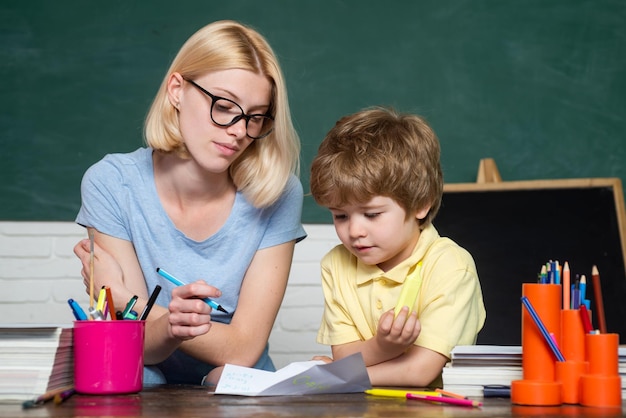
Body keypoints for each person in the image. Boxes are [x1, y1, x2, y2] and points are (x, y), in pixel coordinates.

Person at [73, 20, 306, 386]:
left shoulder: (278, 192)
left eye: (255, 117)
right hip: (145, 386)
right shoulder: (111, 183)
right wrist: (171, 325)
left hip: (238, 393)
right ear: (177, 90)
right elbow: (137, 348)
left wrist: (132, 305)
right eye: (225, 106)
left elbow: (242, 350)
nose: (239, 131)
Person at [309, 107, 485, 388]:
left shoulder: (451, 265)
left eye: (372, 214)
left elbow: (420, 372)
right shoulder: (336, 264)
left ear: (420, 204)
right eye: (340, 216)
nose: (354, 231)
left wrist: (335, 377)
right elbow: (343, 354)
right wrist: (383, 346)